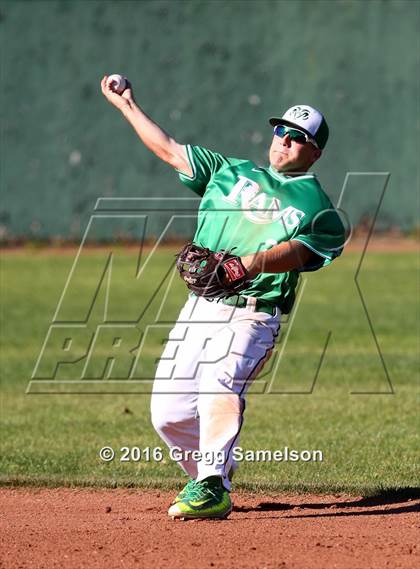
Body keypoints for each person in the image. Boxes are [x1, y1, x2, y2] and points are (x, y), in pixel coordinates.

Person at [101, 77, 345, 520]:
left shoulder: (318, 205)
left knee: (220, 380)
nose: (285, 141)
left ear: (315, 152)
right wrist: (127, 106)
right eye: (281, 131)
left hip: (253, 315)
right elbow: (170, 149)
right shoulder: (229, 171)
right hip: (199, 308)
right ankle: (210, 475)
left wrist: (252, 263)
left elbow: (308, 250)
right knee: (168, 414)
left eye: (298, 138)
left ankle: (212, 485)